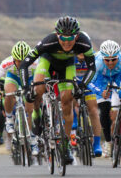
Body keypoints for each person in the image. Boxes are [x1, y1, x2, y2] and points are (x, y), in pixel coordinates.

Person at [20, 16, 96, 164]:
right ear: (57, 35)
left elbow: (92, 67)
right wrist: (25, 88)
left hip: (67, 66)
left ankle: (65, 145)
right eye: (63, 38)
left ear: (77, 36)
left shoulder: (84, 43)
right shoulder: (49, 41)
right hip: (47, 62)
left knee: (67, 100)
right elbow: (24, 64)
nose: (67, 43)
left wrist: (82, 85)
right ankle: (37, 113)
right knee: (38, 88)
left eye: (70, 39)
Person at [0, 41, 39, 155]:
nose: (20, 63)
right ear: (13, 58)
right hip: (13, 78)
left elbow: (42, 75)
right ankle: (9, 119)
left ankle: (33, 140)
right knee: (9, 93)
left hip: (29, 79)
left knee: (30, 110)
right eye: (17, 60)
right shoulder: (6, 63)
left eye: (23, 60)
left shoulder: (35, 62)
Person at [90, 40, 121, 158]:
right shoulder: (97, 62)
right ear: (102, 58)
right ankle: (108, 142)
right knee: (104, 110)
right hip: (102, 80)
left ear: (119, 57)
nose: (111, 62)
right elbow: (89, 82)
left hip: (118, 75)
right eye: (107, 60)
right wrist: (99, 92)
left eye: (114, 59)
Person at [73, 53, 103, 156]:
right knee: (71, 101)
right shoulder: (71, 57)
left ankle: (97, 144)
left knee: (94, 111)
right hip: (73, 84)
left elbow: (96, 75)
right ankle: (74, 121)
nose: (81, 53)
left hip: (88, 84)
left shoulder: (92, 58)